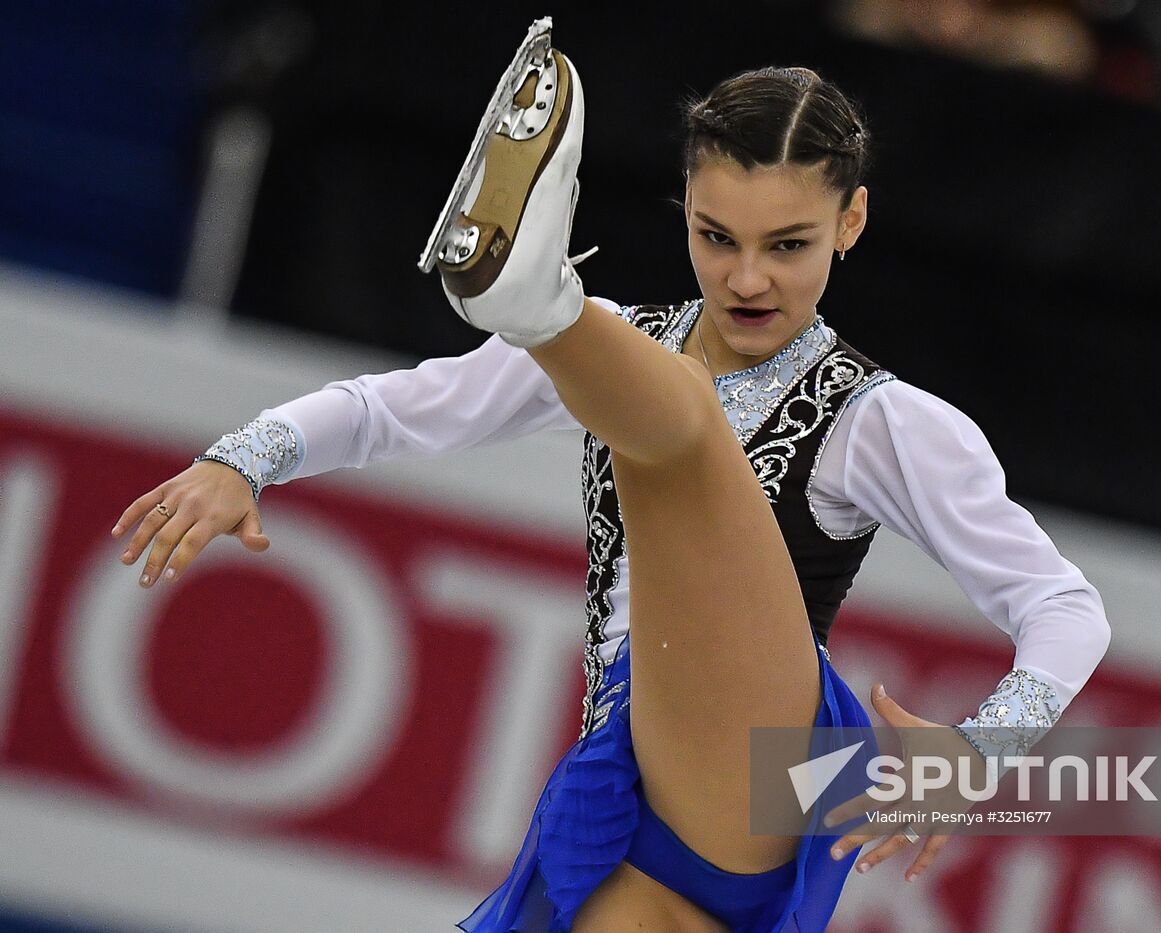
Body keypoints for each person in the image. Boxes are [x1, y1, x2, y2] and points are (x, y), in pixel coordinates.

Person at [112, 20, 1110, 931]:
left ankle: (538, 300)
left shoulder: (883, 422)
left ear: (850, 222)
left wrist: (982, 750)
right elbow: (389, 410)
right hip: (630, 794)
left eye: (788, 245)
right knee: (656, 401)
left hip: (764, 768)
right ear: (682, 209)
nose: (747, 279)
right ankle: (535, 302)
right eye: (715, 238)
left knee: (672, 430)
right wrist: (244, 458)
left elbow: (1062, 608)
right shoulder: (629, 355)